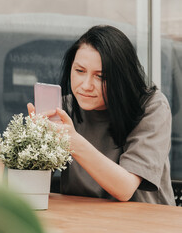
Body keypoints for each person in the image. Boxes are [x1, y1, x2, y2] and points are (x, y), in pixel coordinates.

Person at [28, 25, 175, 205]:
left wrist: (71, 140)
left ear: (122, 77)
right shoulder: (64, 108)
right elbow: (29, 188)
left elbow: (125, 188)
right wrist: (33, 143)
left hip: (144, 222)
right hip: (82, 219)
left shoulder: (151, 106)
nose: (86, 85)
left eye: (101, 76)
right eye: (80, 71)